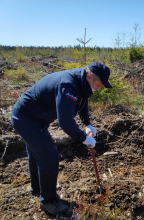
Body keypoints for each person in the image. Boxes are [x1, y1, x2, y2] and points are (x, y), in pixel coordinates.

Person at [10, 62, 112, 215]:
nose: (99, 88)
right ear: (90, 76)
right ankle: (48, 202)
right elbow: (65, 122)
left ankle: (38, 190)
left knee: (37, 152)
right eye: (99, 84)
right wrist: (84, 138)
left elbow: (83, 101)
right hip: (24, 118)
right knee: (50, 157)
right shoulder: (68, 84)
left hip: (36, 118)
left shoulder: (82, 82)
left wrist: (87, 124)